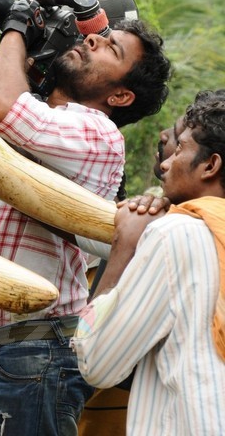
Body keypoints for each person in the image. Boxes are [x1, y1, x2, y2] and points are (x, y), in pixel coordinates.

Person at [0, 0, 171, 436]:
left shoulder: (97, 131)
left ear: (121, 95)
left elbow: (6, 110)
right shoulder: (40, 114)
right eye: (100, 35)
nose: (92, 39)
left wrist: (14, 28)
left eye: (111, 48)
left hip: (33, 352)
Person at [73, 91, 225, 436]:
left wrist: (124, 248)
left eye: (182, 148)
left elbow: (98, 363)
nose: (167, 162)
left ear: (210, 165)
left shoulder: (175, 234)